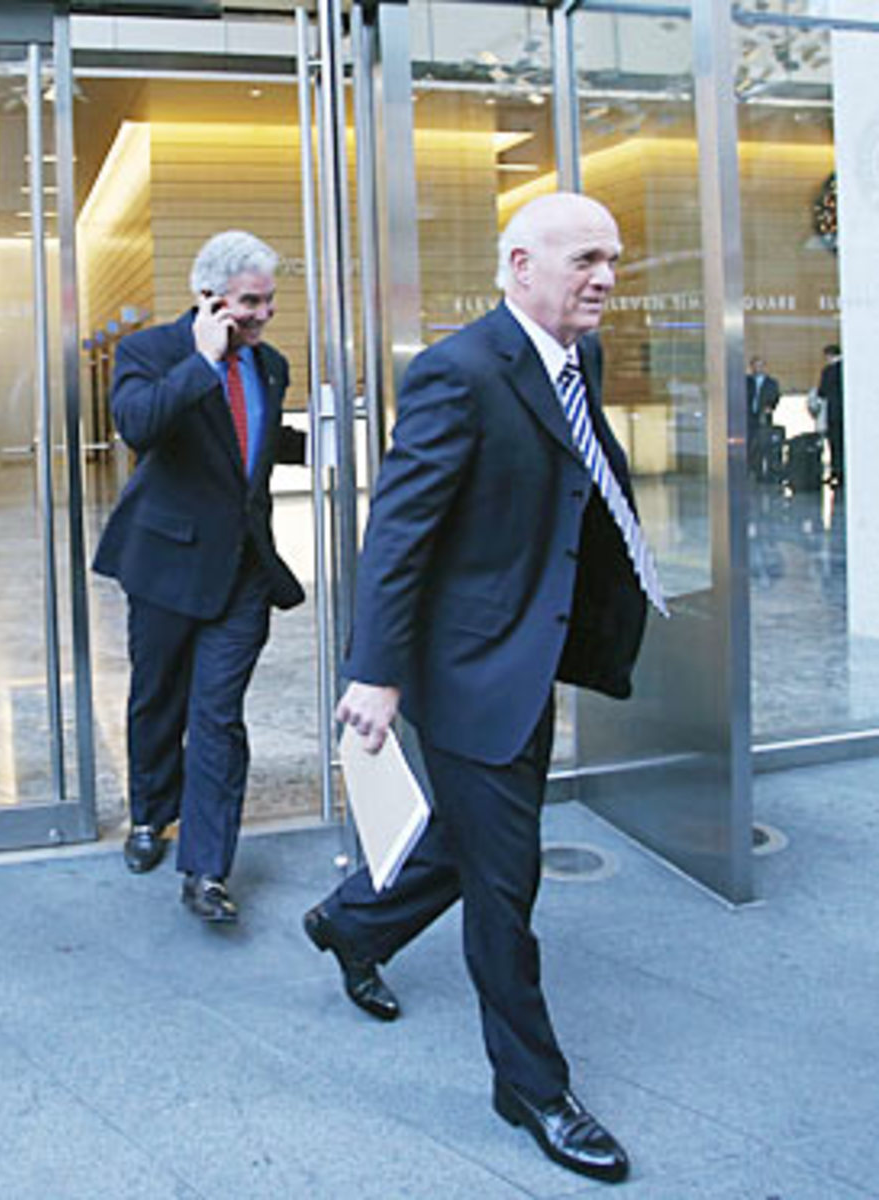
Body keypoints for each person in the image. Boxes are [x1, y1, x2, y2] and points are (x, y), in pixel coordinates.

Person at [303, 193, 666, 1185]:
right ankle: (532, 1087)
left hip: (526, 651)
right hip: (465, 672)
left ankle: (351, 922)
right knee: (506, 883)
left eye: (614, 260)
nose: (604, 277)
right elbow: (398, 535)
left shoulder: (575, 359)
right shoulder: (456, 373)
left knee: (472, 841)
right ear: (519, 263)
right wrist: (373, 673)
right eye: (585, 257)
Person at [93, 230, 306, 923]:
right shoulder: (150, 352)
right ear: (209, 299)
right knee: (158, 697)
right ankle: (151, 815)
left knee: (218, 716)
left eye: (269, 300)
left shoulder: (270, 364)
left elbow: (256, 440)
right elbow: (136, 426)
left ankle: (208, 870)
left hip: (243, 569)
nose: (264, 314)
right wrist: (202, 364)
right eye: (251, 302)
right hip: (166, 562)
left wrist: (329, 440)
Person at [746, 356, 781, 479]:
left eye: (760, 365)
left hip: (763, 416)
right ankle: (751, 468)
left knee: (763, 443)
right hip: (748, 416)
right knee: (750, 443)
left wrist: (770, 407)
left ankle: (763, 471)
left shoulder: (771, 382)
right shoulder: (746, 381)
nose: (758, 368)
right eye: (755, 366)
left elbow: (775, 397)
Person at [817, 343, 844, 486]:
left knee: (834, 444)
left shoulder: (828, 371)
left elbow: (822, 392)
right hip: (844, 413)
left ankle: (837, 473)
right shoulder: (847, 368)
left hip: (834, 412)